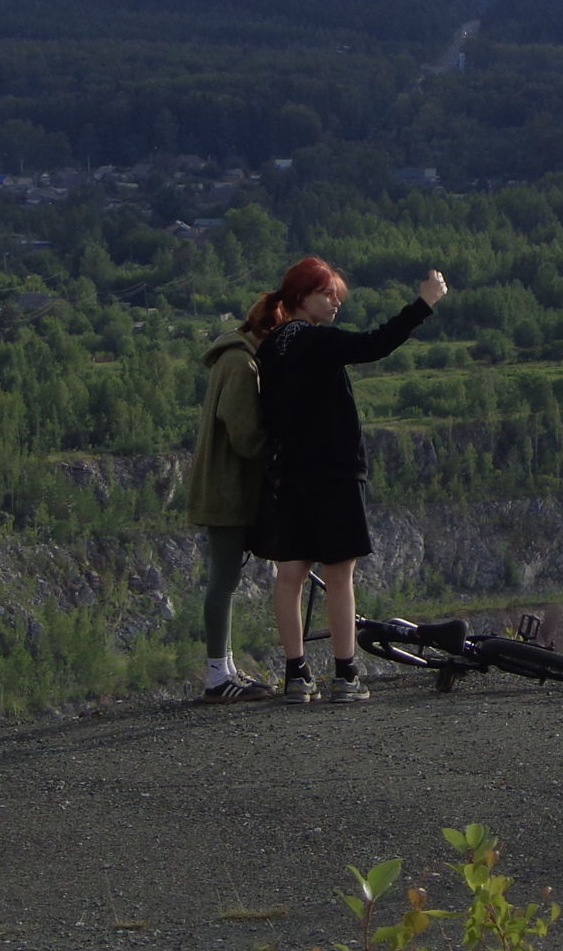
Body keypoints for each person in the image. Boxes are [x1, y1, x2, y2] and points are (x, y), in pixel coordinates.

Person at [250, 256, 448, 704]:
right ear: (302, 297)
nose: (336, 302)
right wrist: (424, 303)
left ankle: (296, 675)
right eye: (327, 294)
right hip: (334, 471)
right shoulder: (316, 341)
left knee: (291, 574)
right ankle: (346, 673)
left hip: (290, 474)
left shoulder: (271, 346)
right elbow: (374, 344)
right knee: (339, 575)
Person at [184, 314, 274, 701]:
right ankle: (217, 676)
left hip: (221, 486)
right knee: (223, 581)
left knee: (226, 581)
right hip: (227, 489)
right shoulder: (241, 363)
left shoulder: (231, 356)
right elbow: (245, 436)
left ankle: (226, 669)